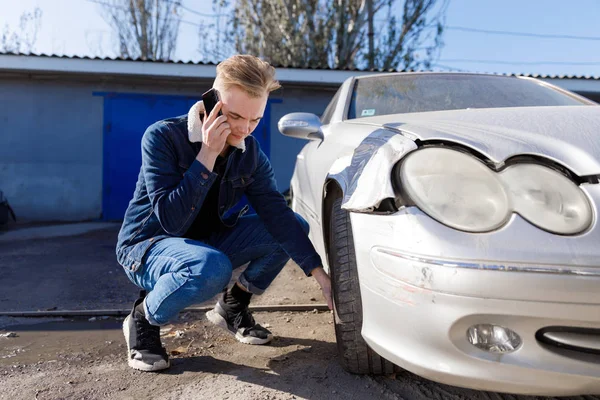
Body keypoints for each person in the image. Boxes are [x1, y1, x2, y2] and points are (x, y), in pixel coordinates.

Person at [115, 54, 333, 372]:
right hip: (148, 245)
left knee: (293, 224)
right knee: (211, 267)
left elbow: (277, 214)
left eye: (255, 119)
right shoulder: (162, 137)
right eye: (234, 116)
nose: (244, 129)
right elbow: (171, 220)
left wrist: (320, 274)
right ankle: (142, 318)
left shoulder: (250, 153)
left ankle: (232, 307)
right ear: (211, 102)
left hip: (204, 242)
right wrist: (207, 155)